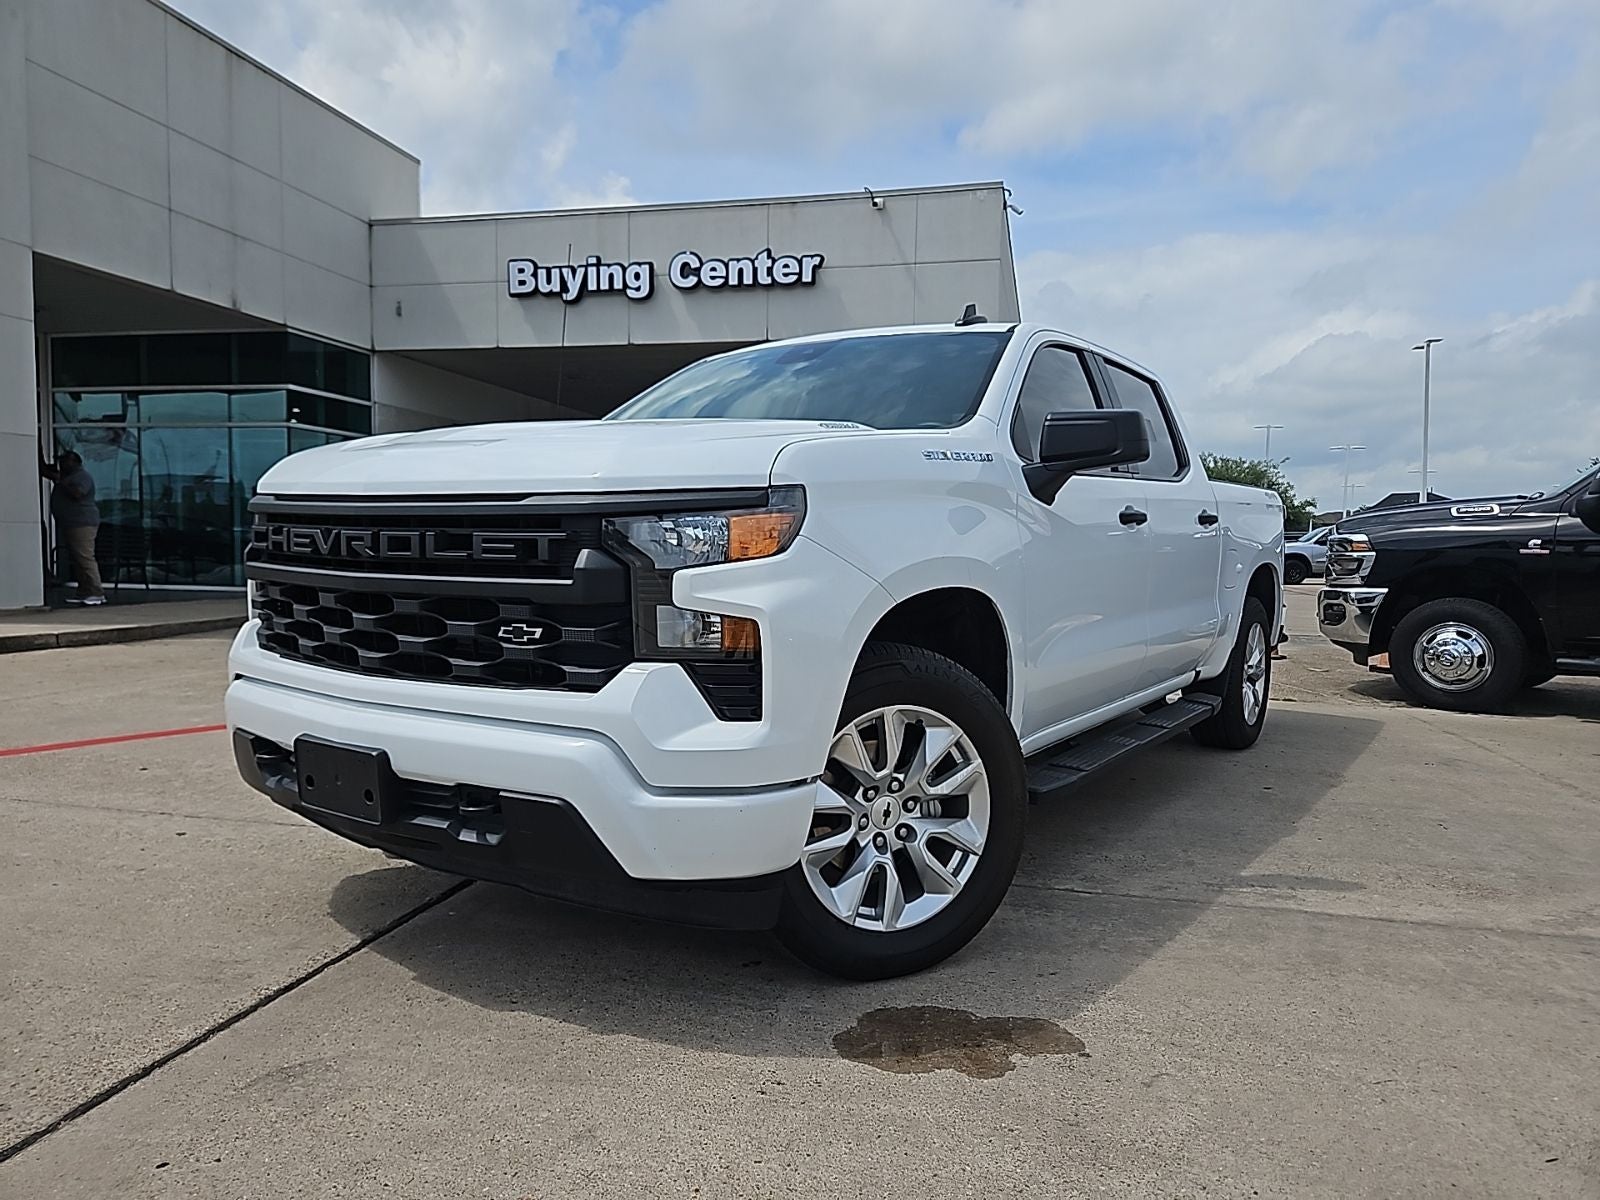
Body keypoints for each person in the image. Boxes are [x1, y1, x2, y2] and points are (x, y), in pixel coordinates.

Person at [40, 450, 105, 605]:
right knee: (78, 559)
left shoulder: (82, 476)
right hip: (71, 523)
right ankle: (84, 591)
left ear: (75, 462)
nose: (61, 464)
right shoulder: (67, 477)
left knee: (85, 558)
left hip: (82, 524)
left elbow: (78, 493)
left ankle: (97, 592)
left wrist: (61, 481)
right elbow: (45, 472)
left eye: (65, 461)